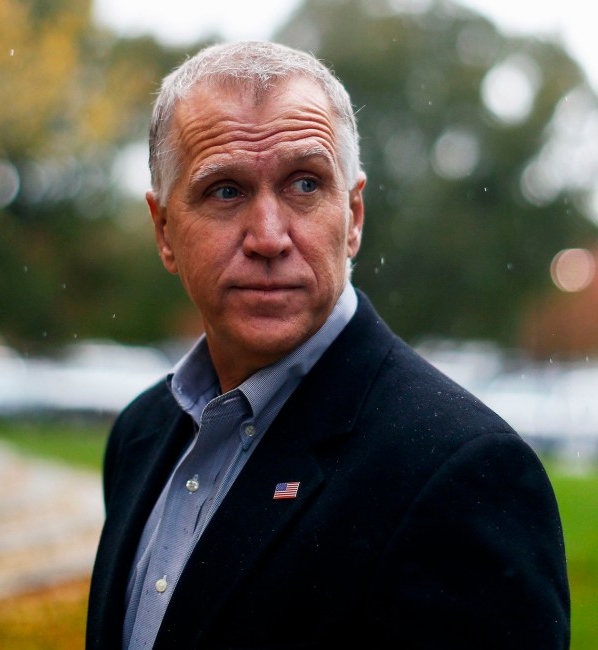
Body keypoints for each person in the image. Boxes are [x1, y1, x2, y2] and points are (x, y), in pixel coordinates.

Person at [86, 41, 570, 649]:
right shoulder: (140, 435)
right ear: (163, 230)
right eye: (226, 190)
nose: (268, 237)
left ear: (355, 215)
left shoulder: (461, 472)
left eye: (305, 184)